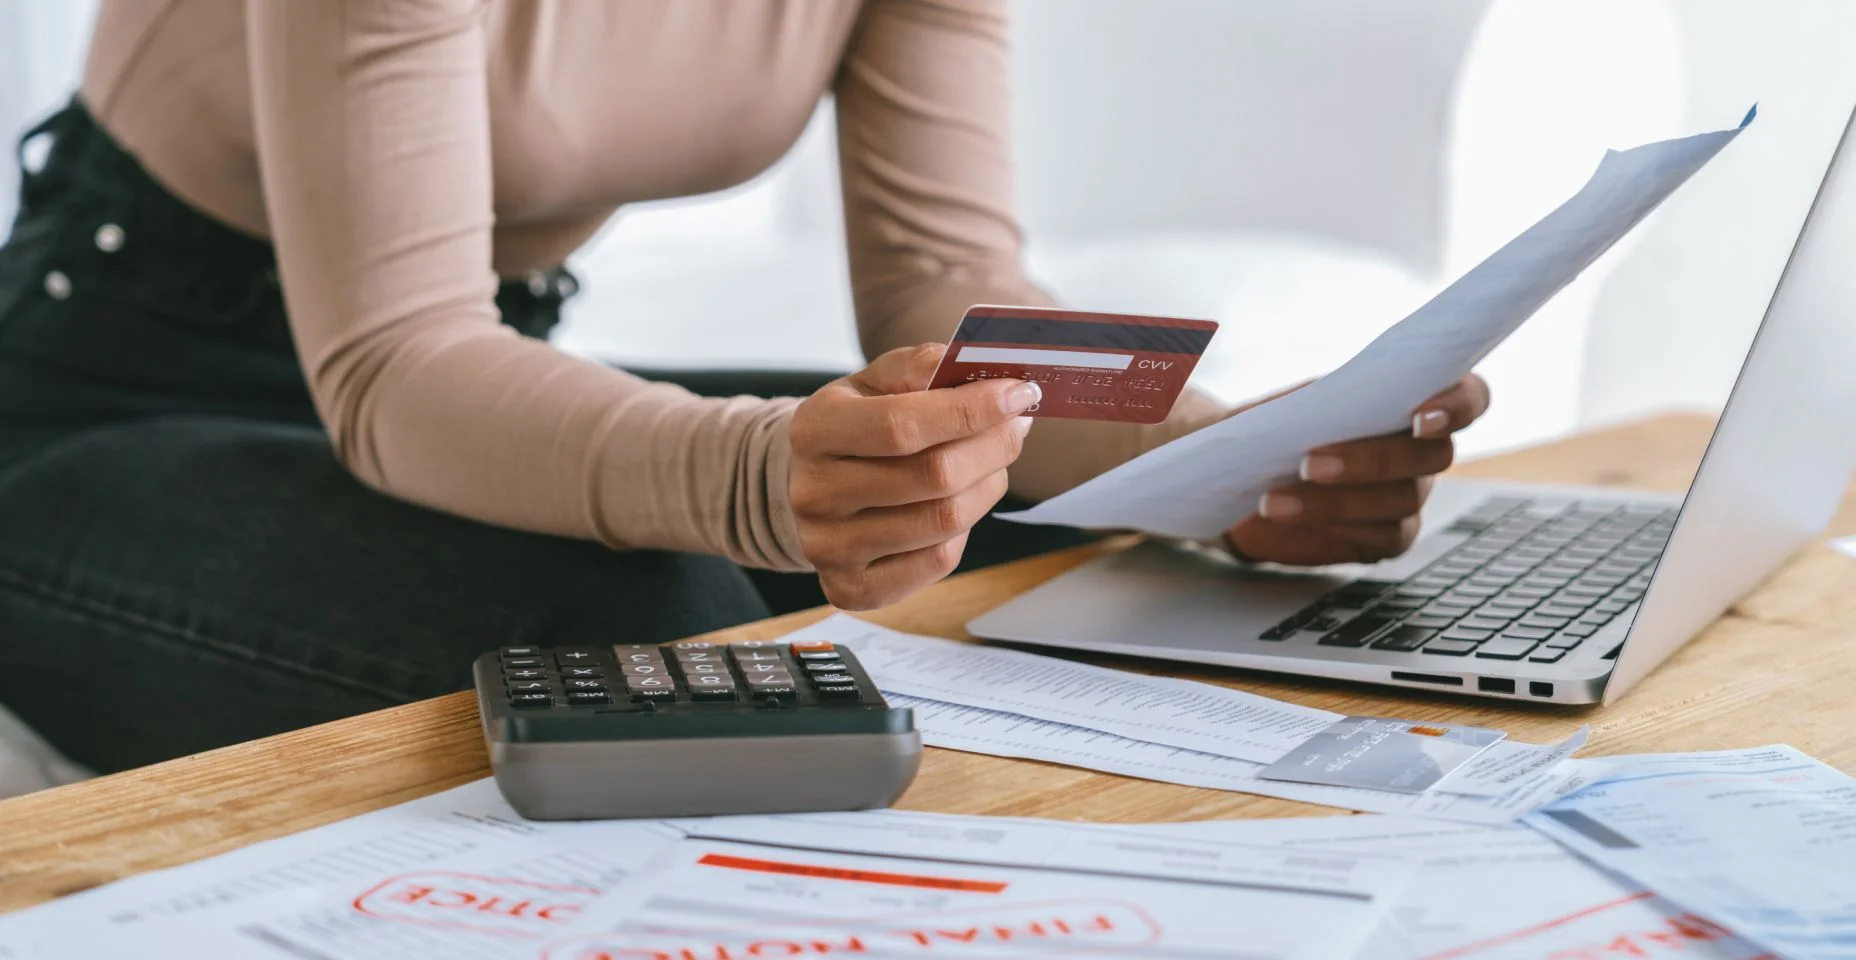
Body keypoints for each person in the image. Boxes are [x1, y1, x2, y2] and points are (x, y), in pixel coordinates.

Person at [0, 0, 1488, 774]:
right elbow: (391, 363)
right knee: (653, 636)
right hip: (116, 405)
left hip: (486, 385)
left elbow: (948, 288)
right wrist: (754, 478)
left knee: (1102, 548)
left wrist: (1233, 465)